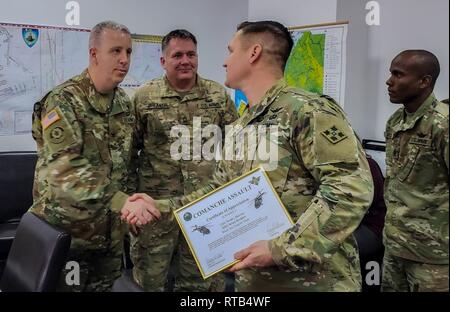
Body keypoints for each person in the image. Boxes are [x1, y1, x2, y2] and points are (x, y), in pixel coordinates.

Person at [125, 21, 373, 292]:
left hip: (314, 283)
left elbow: (350, 189)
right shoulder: (242, 125)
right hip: (255, 281)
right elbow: (218, 192)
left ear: (253, 53)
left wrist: (282, 248)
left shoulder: (307, 111)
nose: (224, 61)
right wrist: (156, 206)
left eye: (231, 51)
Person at [30, 21, 160, 292]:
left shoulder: (124, 103)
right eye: (115, 51)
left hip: (109, 238)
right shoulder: (64, 101)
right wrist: (123, 202)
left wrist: (133, 209)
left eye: (128, 52)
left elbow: (126, 165)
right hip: (69, 236)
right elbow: (65, 169)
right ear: (94, 54)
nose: (124, 60)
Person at [130, 29, 238, 291]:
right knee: (150, 281)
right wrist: (131, 202)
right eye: (177, 55)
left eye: (191, 54)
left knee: (201, 282)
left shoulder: (217, 95)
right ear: (163, 61)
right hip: (156, 208)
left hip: (204, 206)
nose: (185, 60)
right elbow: (128, 154)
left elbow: (238, 146)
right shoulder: (144, 97)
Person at [382, 50, 448, 292]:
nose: (389, 81)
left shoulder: (442, 124)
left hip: (434, 257)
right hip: (396, 247)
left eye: (398, 75)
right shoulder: (395, 122)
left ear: (424, 81)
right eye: (391, 73)